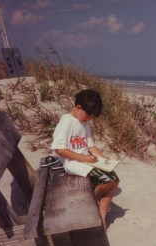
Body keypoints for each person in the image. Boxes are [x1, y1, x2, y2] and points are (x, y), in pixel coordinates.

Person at [50, 89, 119, 230]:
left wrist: (103, 158)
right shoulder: (67, 122)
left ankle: (102, 214)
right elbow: (59, 149)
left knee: (115, 179)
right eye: (88, 115)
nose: (89, 119)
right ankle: (92, 203)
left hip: (85, 160)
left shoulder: (85, 123)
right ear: (78, 107)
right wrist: (84, 158)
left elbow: (90, 145)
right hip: (72, 162)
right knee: (105, 180)